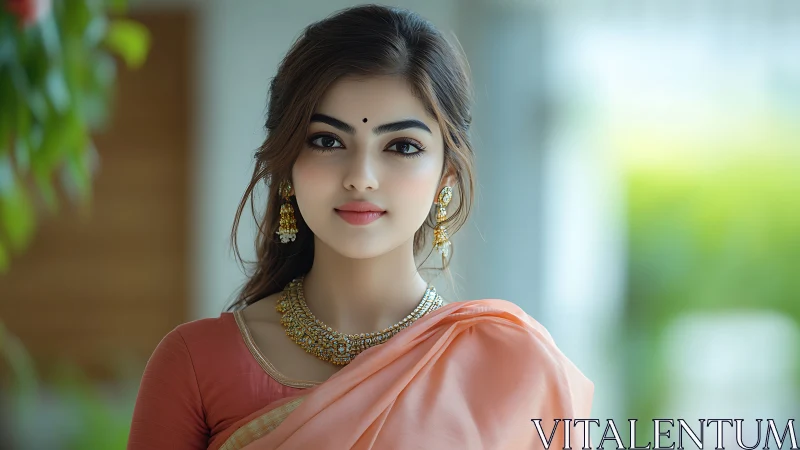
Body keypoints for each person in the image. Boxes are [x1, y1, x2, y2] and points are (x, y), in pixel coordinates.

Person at [127, 4, 593, 449]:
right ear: (288, 163)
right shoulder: (194, 363)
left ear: (446, 176)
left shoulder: (513, 366)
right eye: (327, 140)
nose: (361, 177)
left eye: (402, 146)